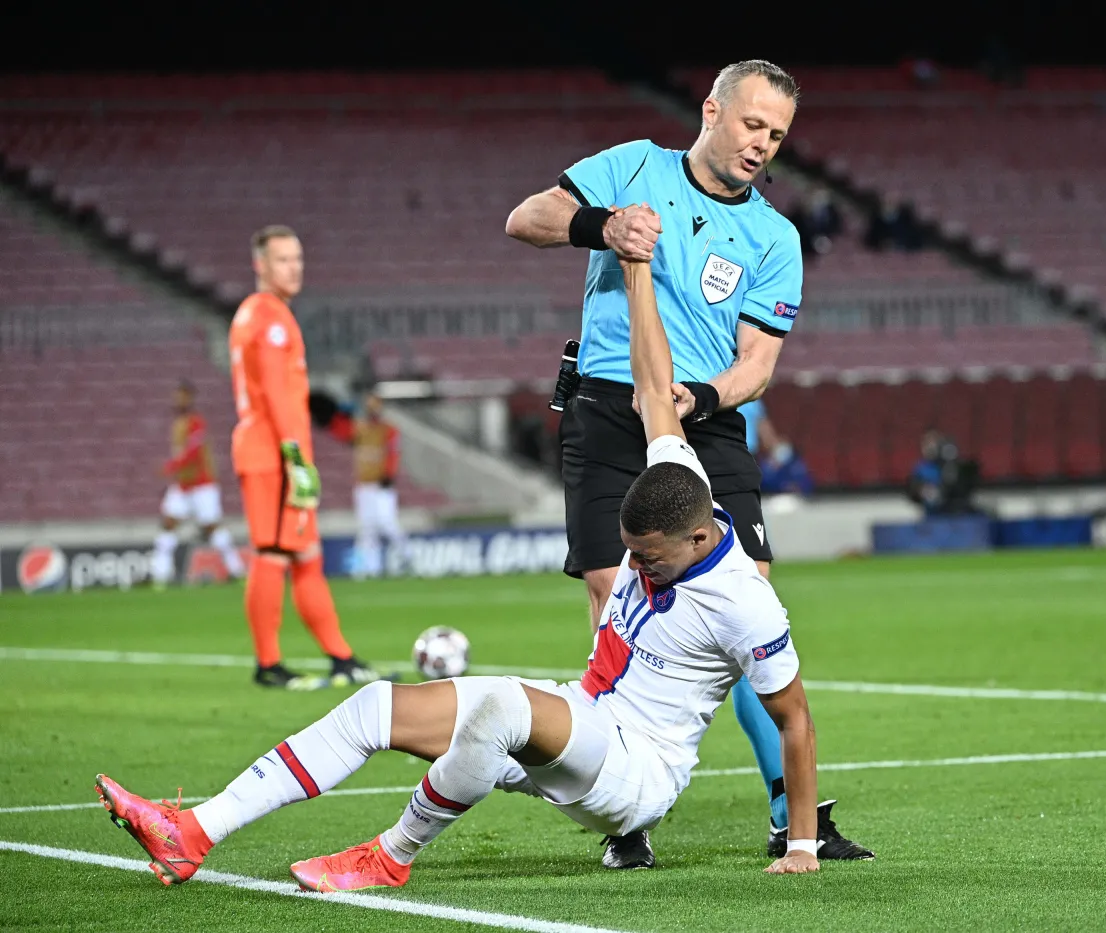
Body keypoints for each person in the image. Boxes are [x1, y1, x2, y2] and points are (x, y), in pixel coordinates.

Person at [91, 245, 851, 891]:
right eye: (634, 555)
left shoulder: (743, 600)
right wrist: (637, 270)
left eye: (649, 560)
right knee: (375, 706)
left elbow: (795, 719)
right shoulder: (673, 479)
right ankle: (193, 831)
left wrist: (802, 845)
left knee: (499, 710)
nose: (638, 571)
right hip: (584, 716)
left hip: (637, 772)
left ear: (698, 537)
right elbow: (655, 388)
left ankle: (389, 857)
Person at [506, 59, 872, 867]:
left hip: (705, 421)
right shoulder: (633, 166)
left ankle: (794, 815)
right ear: (712, 110)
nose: (762, 144)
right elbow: (525, 218)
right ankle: (624, 814)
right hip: (608, 409)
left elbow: (758, 364)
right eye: (752, 124)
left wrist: (700, 397)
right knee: (616, 602)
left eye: (777, 134)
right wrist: (601, 227)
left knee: (749, 604)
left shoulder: (774, 236)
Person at [229, 225, 379, 690]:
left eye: (297, 259)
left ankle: (341, 658)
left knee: (307, 556)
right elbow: (276, 395)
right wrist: (294, 457)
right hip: (273, 453)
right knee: (272, 554)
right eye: (282, 260)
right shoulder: (269, 318)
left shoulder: (258, 314)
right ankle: (268, 664)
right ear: (260, 265)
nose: (294, 268)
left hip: (276, 451)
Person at [150, 381, 245, 589]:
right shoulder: (178, 423)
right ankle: (160, 575)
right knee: (168, 524)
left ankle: (237, 571)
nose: (178, 400)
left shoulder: (196, 423)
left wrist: (170, 466)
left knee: (212, 528)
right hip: (183, 485)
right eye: (176, 396)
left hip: (202, 484)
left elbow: (193, 452)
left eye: (182, 396)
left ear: (190, 399)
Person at [351, 392, 408, 579]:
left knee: (387, 523)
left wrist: (389, 474)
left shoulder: (388, 429)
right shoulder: (360, 428)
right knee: (366, 528)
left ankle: (407, 556)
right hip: (363, 485)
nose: (372, 410)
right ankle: (370, 568)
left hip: (381, 485)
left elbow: (394, 452)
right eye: (369, 406)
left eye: (374, 406)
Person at [740, 399, 814, 497]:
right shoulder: (749, 398)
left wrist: (777, 451)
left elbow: (765, 432)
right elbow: (766, 434)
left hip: (742, 455)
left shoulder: (750, 399)